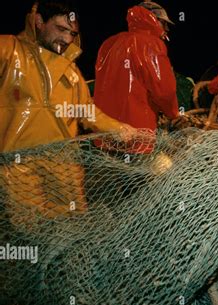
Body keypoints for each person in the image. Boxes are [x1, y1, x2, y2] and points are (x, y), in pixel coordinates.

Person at [0, 1, 136, 226]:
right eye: (61, 29)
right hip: (17, 168)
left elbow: (87, 112)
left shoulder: (71, 72)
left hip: (64, 169)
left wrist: (119, 128)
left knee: (70, 226)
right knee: (27, 232)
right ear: (39, 22)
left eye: (72, 33)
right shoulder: (8, 49)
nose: (67, 38)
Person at [94, 2, 179, 153]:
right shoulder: (152, 44)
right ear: (153, 19)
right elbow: (165, 91)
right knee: (144, 175)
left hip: (105, 134)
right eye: (164, 23)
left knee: (111, 174)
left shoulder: (109, 43)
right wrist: (173, 114)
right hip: (136, 135)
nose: (166, 29)